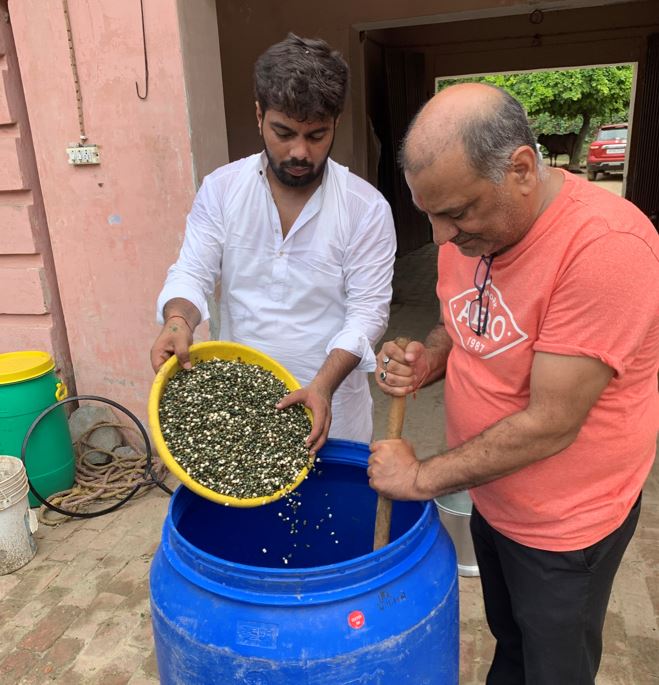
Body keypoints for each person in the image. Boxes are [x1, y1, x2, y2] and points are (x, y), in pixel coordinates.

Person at [368, 83, 659, 685]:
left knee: (555, 667)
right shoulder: (469, 231)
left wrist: (420, 477)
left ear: (522, 168)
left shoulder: (606, 249)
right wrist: (432, 358)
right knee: (512, 644)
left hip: (565, 529)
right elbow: (460, 323)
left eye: (457, 213)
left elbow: (551, 423)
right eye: (430, 212)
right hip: (492, 499)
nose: (443, 236)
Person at [150, 33, 396, 454]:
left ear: (335, 123)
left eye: (316, 136)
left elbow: (367, 313)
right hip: (243, 405)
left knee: (330, 515)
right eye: (284, 132)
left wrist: (322, 385)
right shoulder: (222, 189)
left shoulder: (365, 208)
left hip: (333, 410)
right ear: (259, 115)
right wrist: (178, 321)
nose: (300, 152)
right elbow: (194, 272)